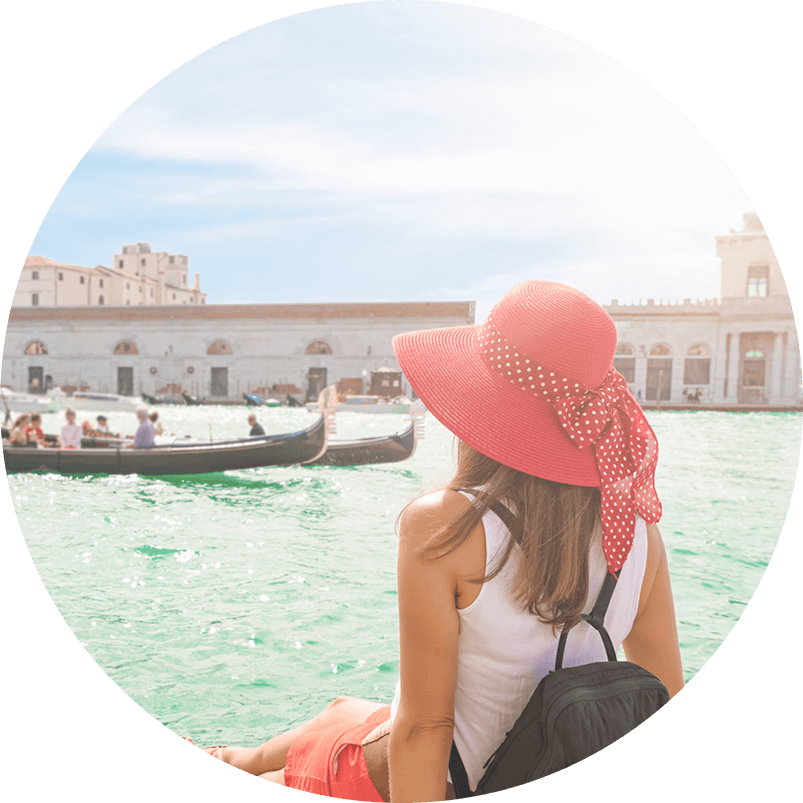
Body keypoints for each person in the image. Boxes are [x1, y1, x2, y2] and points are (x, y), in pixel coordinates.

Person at [187, 281, 685, 800]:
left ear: (485, 405)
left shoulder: (447, 526)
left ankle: (235, 759)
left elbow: (424, 731)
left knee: (334, 738)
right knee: (342, 713)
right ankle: (237, 757)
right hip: (549, 751)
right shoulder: (642, 537)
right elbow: (662, 693)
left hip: (430, 780)